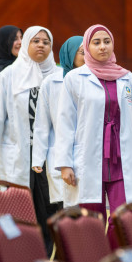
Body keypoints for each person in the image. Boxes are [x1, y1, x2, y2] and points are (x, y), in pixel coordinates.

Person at [55, 24, 132, 249]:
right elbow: (66, 123)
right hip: (88, 158)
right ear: (87, 46)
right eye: (96, 42)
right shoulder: (75, 79)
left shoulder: (128, 78)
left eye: (106, 41)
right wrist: (65, 163)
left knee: (123, 217)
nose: (102, 46)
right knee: (90, 219)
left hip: (121, 158)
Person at [0, 26, 60, 256]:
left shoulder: (60, 77)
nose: (41, 45)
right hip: (19, 152)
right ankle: (21, 258)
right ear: (26, 46)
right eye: (35, 41)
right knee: (20, 209)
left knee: (49, 209)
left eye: (46, 41)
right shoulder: (9, 76)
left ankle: (43, 258)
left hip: (49, 156)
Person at [32, 35, 84, 207]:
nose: (87, 57)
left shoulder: (94, 80)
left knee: (89, 207)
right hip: (60, 151)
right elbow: (42, 123)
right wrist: (38, 157)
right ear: (70, 54)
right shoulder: (51, 82)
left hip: (88, 152)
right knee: (65, 209)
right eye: (82, 53)